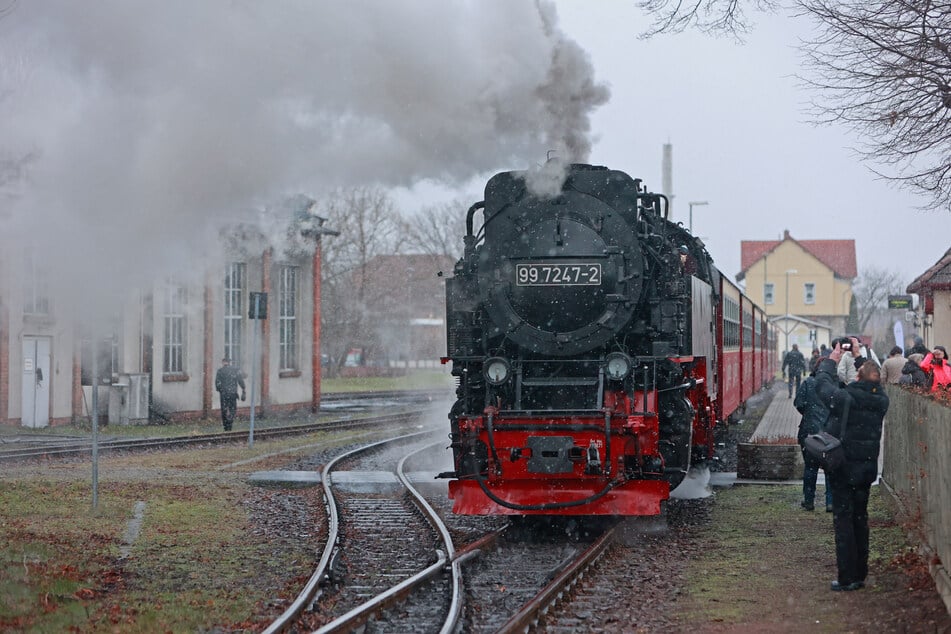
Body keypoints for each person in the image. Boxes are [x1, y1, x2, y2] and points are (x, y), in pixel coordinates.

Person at [814, 344, 889, 592]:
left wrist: (831, 360)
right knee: (860, 519)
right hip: (866, 468)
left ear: (857, 376)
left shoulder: (847, 397)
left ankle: (847, 577)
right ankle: (859, 574)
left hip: (844, 467)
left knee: (843, 521)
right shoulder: (881, 399)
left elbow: (822, 385)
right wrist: (859, 356)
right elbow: (871, 379)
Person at [795, 370, 834, 512]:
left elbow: (799, 403)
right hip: (830, 433)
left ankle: (809, 501)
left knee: (810, 467)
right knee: (830, 468)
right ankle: (830, 502)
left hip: (809, 431)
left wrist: (809, 415)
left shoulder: (808, 383)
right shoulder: (834, 384)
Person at [215, 357, 246, 431]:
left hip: (224, 394)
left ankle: (226, 426)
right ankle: (230, 423)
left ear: (223, 362)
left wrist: (221, 390)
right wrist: (243, 388)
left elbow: (217, 383)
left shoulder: (220, 371)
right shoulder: (235, 370)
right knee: (232, 409)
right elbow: (240, 380)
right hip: (233, 393)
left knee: (224, 409)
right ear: (230, 362)